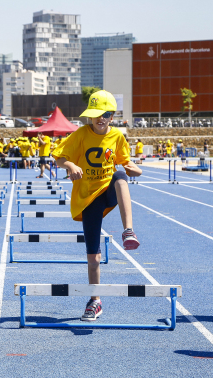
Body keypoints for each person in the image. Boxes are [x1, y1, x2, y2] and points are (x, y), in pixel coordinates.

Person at [53, 90, 142, 321]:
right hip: (88, 198)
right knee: (93, 258)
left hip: (107, 190)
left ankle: (128, 230)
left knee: (120, 176)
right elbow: (59, 157)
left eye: (104, 115)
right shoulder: (81, 134)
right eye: (95, 115)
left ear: (111, 116)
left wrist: (136, 169)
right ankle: (95, 300)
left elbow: (126, 162)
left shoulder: (118, 137)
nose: (99, 119)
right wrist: (70, 166)